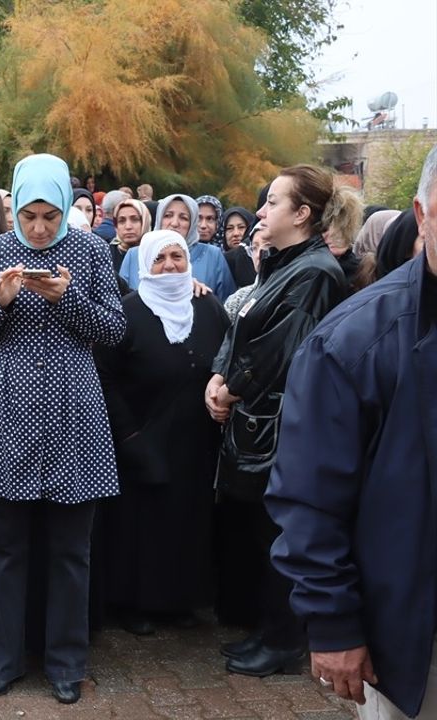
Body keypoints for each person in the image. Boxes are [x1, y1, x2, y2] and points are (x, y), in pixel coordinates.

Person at [266, 144, 437, 720]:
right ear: (422, 213)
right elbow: (309, 495)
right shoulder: (354, 341)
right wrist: (334, 623)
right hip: (413, 630)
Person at [0, 154, 124, 705]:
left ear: (62, 205)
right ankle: (3, 660)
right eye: (28, 215)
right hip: (8, 412)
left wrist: (68, 298)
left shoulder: (92, 250)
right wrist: (3, 301)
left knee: (70, 551)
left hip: (73, 412)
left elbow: (114, 327)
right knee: (5, 547)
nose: (38, 228)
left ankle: (65, 664)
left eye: (49, 216)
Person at [206, 164, 350, 678]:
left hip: (283, 426)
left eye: (272, 203)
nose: (260, 212)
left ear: (302, 213)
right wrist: (219, 375)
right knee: (261, 533)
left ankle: (284, 640)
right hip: (260, 420)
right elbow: (243, 325)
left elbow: (278, 351)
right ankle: (269, 631)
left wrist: (231, 385)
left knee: (278, 534)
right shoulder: (285, 263)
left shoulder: (312, 271)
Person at [96, 230, 230, 636]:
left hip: (195, 439)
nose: (170, 265)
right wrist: (128, 436)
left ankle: (179, 598)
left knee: (187, 520)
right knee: (140, 525)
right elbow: (107, 378)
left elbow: (226, 355)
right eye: (160, 259)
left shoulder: (208, 306)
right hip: (143, 436)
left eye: (178, 256)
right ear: (144, 265)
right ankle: (134, 602)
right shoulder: (127, 312)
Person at [119, 194, 236, 299]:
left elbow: (226, 304)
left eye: (183, 218)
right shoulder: (135, 255)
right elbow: (122, 300)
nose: (174, 223)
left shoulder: (213, 255)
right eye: (168, 216)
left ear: (192, 223)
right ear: (159, 219)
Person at [110, 196, 151, 285]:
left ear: (145, 222)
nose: (128, 226)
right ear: (116, 226)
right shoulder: (107, 254)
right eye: (122, 221)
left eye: (134, 220)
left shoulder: (155, 253)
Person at [221, 207, 260, 289]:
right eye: (229, 228)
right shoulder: (217, 262)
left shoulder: (259, 260)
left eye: (241, 227)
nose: (236, 233)